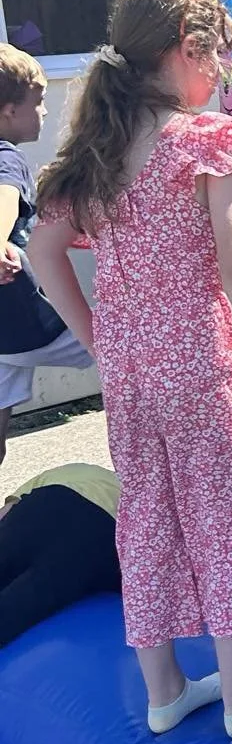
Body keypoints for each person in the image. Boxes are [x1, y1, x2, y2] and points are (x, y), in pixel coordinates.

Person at [29, 0, 232, 740]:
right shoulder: (203, 144)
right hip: (202, 365)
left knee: (147, 522)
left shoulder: (98, 147)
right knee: (225, 518)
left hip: (132, 375)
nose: (222, 71)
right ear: (185, 51)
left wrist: (98, 341)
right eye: (217, 54)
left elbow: (43, 252)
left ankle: (164, 693)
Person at [0, 45, 95, 462]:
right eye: (37, 103)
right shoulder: (8, 158)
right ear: (7, 112)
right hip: (29, 322)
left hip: (4, 337)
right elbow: (4, 199)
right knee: (120, 354)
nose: (43, 112)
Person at [0, 462, 120, 649]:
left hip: (48, 502)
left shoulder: (75, 469)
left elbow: (5, 514)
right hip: (102, 531)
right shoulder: (134, 491)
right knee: (22, 603)